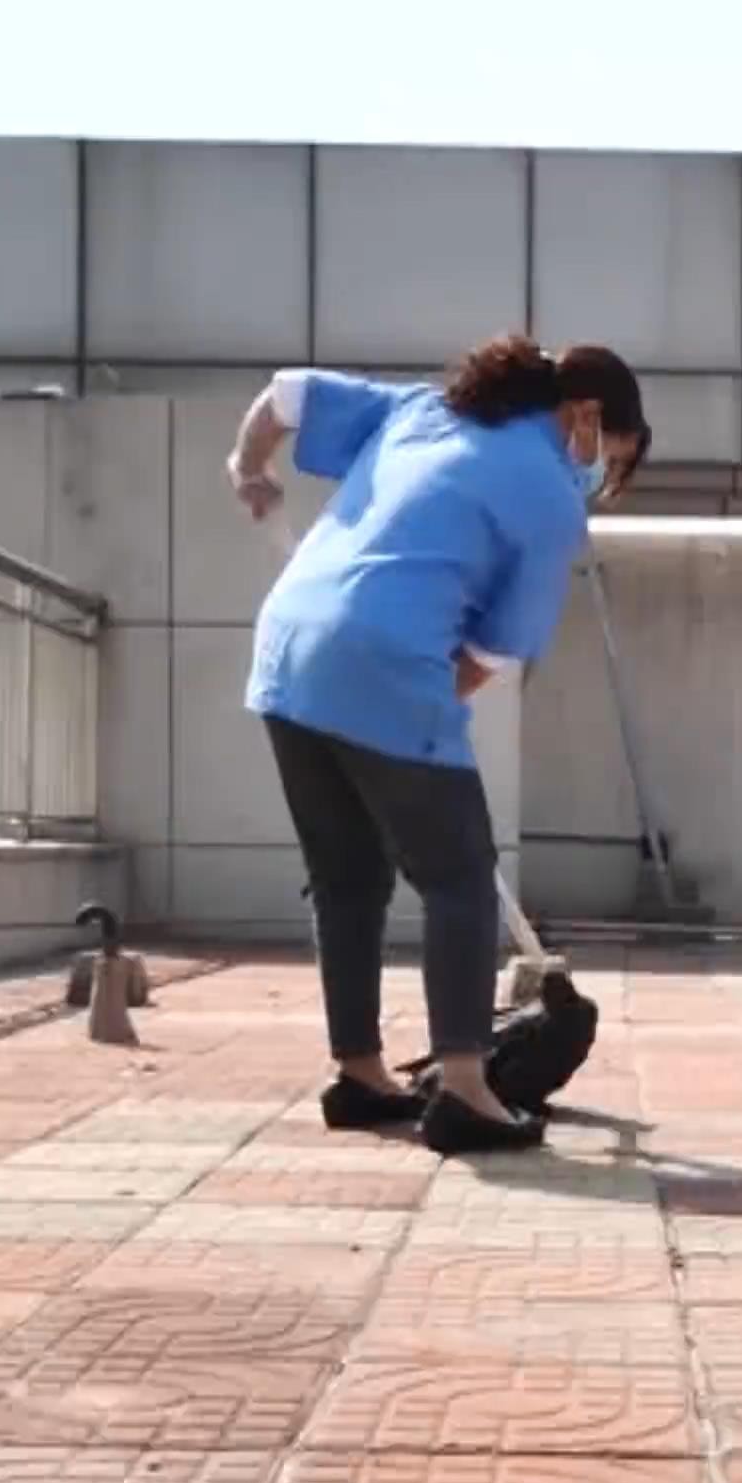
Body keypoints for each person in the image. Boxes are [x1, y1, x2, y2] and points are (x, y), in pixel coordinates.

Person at [225, 335, 648, 1156]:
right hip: (384, 662)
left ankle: (360, 1075)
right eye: (609, 456)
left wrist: (249, 468)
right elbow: (489, 655)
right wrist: (407, 712)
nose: (596, 475)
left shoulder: (426, 409)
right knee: (457, 876)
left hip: (286, 653)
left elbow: (287, 397)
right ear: (585, 416)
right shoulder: (549, 493)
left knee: (347, 880)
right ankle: (462, 1087)